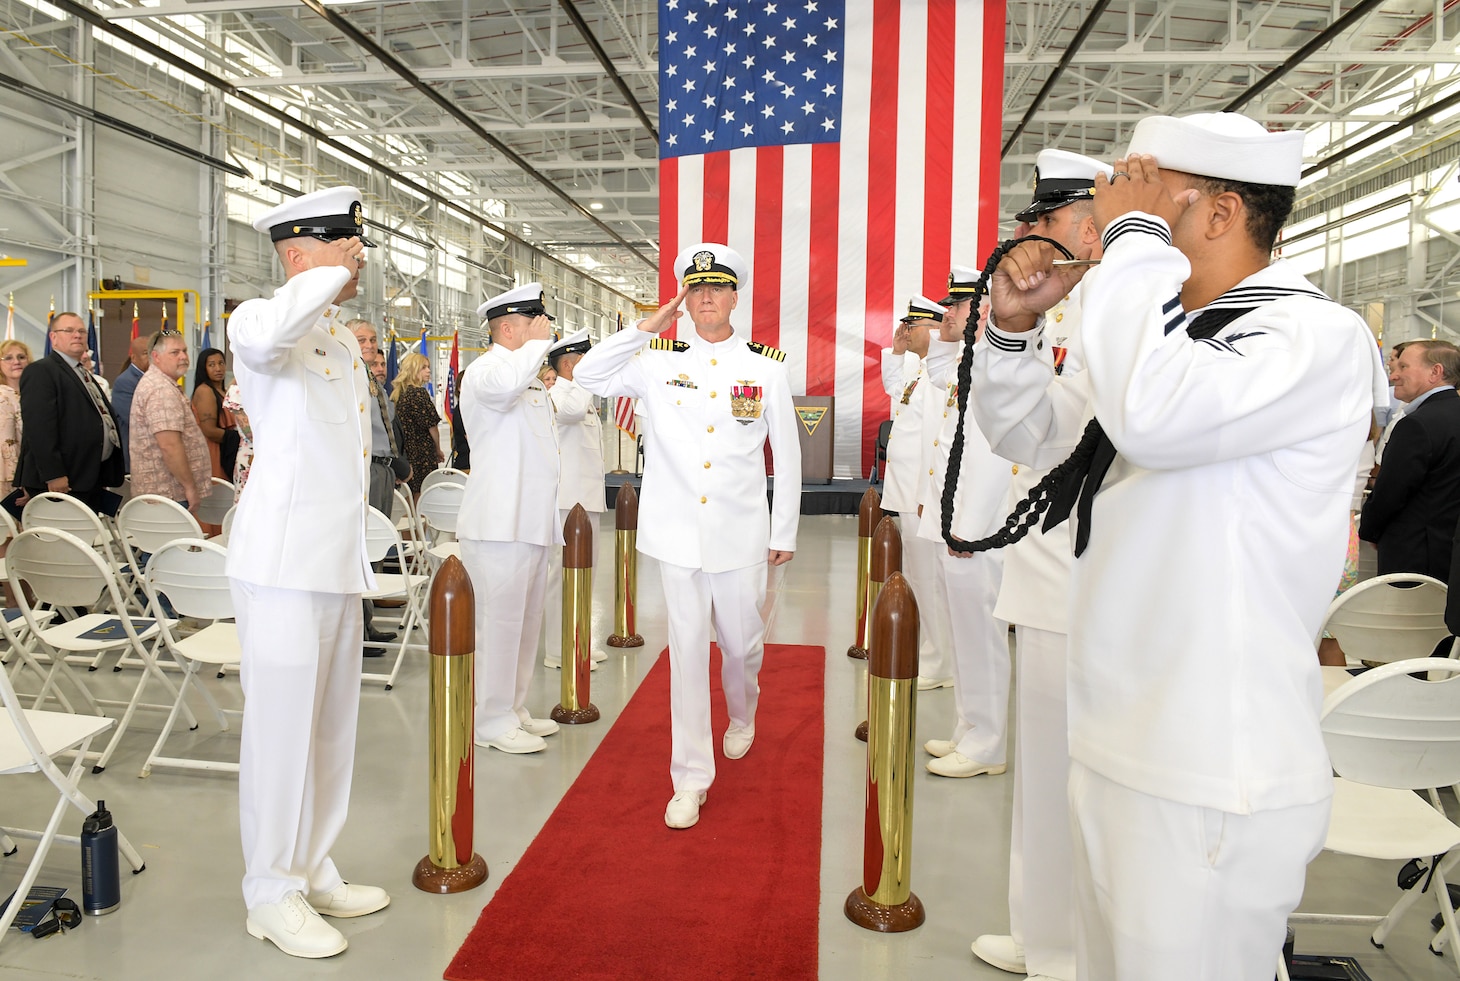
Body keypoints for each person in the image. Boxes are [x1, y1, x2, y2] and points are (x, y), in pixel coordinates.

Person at [977, 114, 1385, 980]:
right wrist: (1013, 336)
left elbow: (1153, 419)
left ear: (1220, 213)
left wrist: (1128, 246)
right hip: (1122, 738)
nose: (1113, 212)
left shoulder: (1311, 336)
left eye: (1144, 197)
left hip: (1207, 767)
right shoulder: (1166, 338)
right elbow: (1032, 431)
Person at [574, 242, 802, 830]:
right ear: (685, 298)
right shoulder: (655, 359)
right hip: (675, 533)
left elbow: (789, 455)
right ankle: (690, 777)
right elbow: (591, 373)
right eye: (694, 289)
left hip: (741, 532)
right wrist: (651, 320)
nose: (706, 298)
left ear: (734, 296)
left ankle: (743, 709)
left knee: (741, 642)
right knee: (685, 653)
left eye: (717, 288)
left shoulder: (765, 365)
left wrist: (785, 530)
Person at [227, 185, 388, 959]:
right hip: (283, 565)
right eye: (341, 243)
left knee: (329, 731)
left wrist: (334, 276)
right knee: (281, 734)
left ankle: (313, 865)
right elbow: (268, 337)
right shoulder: (260, 321)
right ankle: (271, 890)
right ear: (298, 254)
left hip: (333, 560)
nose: (356, 258)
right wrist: (325, 274)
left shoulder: (340, 341)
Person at [966, 147, 1111, 981]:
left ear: (1087, 226)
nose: (1031, 237)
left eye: (1045, 222)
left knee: (1077, 786)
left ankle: (1063, 948)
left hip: (1084, 575)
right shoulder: (1066, 310)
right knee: (1043, 786)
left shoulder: (1116, 311)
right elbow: (1026, 431)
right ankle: (1042, 931)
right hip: (1050, 566)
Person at [457, 283, 562, 756]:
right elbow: (501, 393)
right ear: (506, 328)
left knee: (525, 622)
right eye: (533, 324)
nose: (543, 330)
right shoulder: (488, 370)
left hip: (531, 520)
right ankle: (489, 719)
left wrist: (536, 355)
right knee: (498, 625)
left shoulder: (527, 377)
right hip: (499, 523)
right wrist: (539, 348)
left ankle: (513, 709)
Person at [917, 278, 1013, 781]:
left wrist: (968, 530)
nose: (945, 314)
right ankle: (968, 728)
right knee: (964, 634)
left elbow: (994, 454)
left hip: (975, 529)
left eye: (955, 305)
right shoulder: (967, 362)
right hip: (954, 524)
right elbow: (936, 371)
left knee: (981, 636)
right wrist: (950, 334)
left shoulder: (997, 366)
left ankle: (987, 742)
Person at [877, 300, 957, 689]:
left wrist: (930, 494)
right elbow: (894, 388)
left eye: (914, 325)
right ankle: (933, 653)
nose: (907, 332)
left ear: (937, 327)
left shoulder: (943, 375)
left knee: (932, 581)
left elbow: (937, 440)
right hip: (908, 492)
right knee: (919, 578)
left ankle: (939, 661)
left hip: (924, 495)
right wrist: (896, 349)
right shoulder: (920, 370)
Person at [1359, 339, 1460, 581]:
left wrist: (1370, 531)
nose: (1393, 376)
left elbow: (1391, 491)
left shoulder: (1418, 424)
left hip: (1416, 559)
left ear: (1435, 372)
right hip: (1449, 556)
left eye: (1403, 367)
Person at [543, 328, 607, 671]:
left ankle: (579, 640)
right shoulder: (558, 394)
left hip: (587, 499)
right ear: (570, 364)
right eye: (585, 360)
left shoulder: (579, 395)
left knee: (586, 574)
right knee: (562, 575)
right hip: (567, 501)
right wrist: (583, 380)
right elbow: (569, 414)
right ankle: (557, 648)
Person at [17, 311, 124, 513]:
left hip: (87, 476)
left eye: (81, 331)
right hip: (61, 481)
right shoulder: (42, 371)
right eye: (69, 330)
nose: (77, 335)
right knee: (61, 542)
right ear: (53, 337)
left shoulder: (81, 372)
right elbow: (39, 427)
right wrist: (54, 474)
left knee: (82, 540)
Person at [348, 318, 409, 655]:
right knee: (360, 549)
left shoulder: (371, 377)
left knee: (374, 549)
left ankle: (367, 622)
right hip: (363, 470)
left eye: (372, 339)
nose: (369, 345)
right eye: (361, 339)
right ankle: (357, 629)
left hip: (382, 469)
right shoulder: (348, 376)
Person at [128, 330, 212, 510]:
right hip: (169, 495)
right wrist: (189, 487)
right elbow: (170, 446)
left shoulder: (162, 384)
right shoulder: (161, 390)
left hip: (168, 494)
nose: (183, 357)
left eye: (185, 351)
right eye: (175, 352)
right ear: (156, 357)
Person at [391, 352, 441, 496]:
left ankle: (414, 517)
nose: (428, 370)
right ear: (413, 370)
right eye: (423, 367)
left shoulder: (400, 393)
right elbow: (432, 426)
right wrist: (438, 449)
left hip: (408, 451)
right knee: (423, 493)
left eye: (428, 367)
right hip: (422, 452)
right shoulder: (419, 393)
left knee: (413, 493)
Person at [192, 347, 236, 482]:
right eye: (211, 365)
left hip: (227, 451)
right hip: (215, 453)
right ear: (203, 368)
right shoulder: (205, 391)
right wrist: (238, 438)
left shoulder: (223, 391)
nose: (218, 368)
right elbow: (209, 430)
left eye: (221, 363)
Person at [111, 334, 149, 472]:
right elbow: (135, 420)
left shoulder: (157, 379)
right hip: (136, 457)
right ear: (133, 358)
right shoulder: (126, 382)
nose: (151, 357)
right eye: (146, 353)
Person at [0, 340, 32, 499]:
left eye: (21, 357)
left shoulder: (32, 394)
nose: (16, 362)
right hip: (10, 478)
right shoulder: (2, 396)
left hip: (31, 472)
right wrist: (20, 484)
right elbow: (7, 445)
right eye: (8, 358)